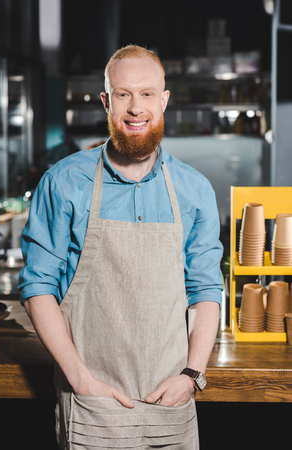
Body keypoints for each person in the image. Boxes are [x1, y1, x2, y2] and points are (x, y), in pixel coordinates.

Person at [18, 45, 224, 450]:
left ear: (164, 100)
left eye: (147, 94)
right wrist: (81, 379)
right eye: (123, 94)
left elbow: (205, 290)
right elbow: (37, 287)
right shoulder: (64, 182)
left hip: (171, 402)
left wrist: (191, 375)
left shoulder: (194, 189)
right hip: (93, 403)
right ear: (106, 101)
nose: (136, 108)